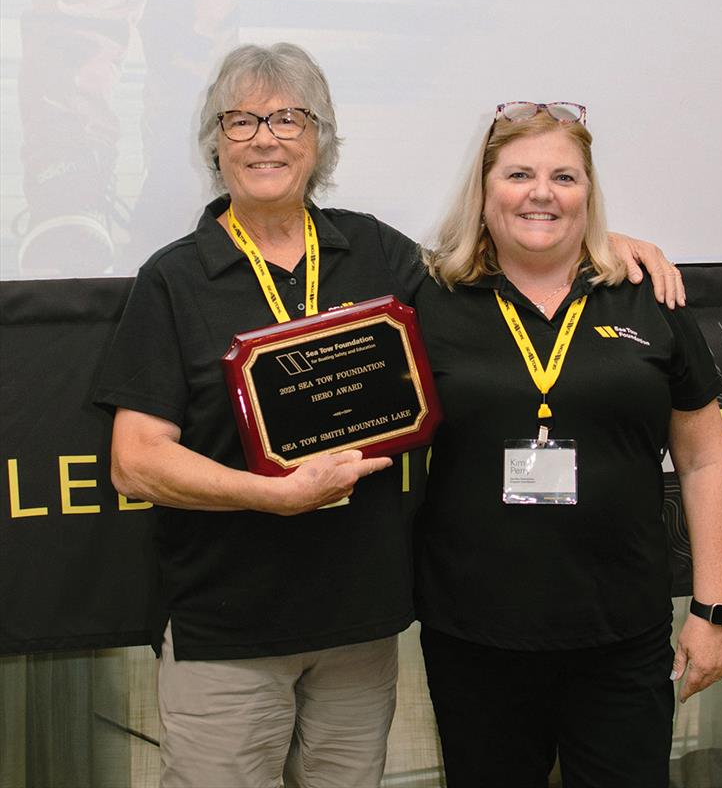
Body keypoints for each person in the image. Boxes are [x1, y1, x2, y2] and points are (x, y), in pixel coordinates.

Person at [93, 43, 684, 788]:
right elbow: (134, 460)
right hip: (228, 629)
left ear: (320, 141)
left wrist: (606, 243)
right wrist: (272, 495)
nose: (265, 137)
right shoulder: (173, 279)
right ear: (215, 143)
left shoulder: (378, 253)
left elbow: (506, 254)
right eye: (240, 121)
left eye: (288, 119)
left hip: (361, 629)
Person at [413, 102, 722, 788]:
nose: (541, 192)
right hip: (475, 639)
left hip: (621, 636)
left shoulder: (649, 296)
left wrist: (714, 609)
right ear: (484, 189)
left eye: (564, 176)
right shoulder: (429, 301)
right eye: (519, 173)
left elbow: (706, 459)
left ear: (589, 193)